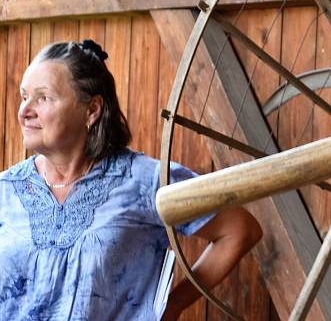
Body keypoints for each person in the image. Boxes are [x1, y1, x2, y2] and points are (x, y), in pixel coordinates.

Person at [0, 39, 263, 320]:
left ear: (91, 110)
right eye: (24, 96)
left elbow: (238, 230)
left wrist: (173, 304)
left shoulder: (144, 181)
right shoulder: (6, 190)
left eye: (43, 98)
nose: (24, 110)